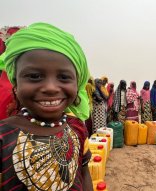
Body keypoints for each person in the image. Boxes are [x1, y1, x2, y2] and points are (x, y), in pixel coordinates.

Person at [0, 23, 93, 190]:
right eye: (34, 76)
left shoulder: (78, 127)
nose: (50, 87)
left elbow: (85, 172)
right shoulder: (3, 135)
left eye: (64, 77)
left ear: (77, 85)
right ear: (15, 84)